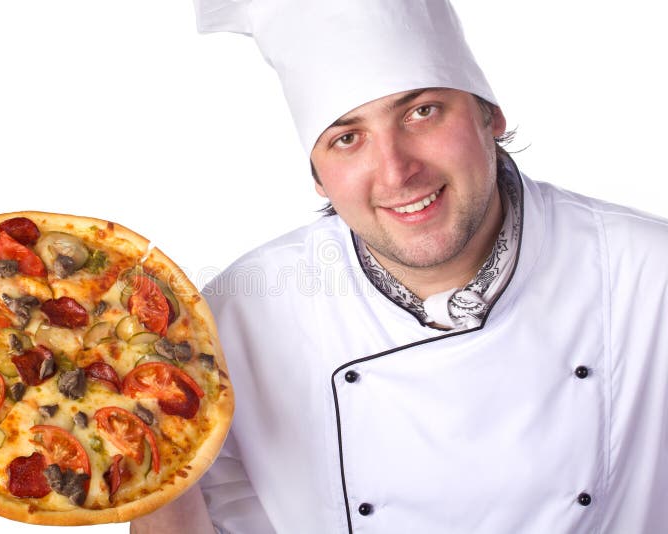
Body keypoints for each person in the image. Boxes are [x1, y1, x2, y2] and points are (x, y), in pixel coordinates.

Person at [132, 0, 668, 532]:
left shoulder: (648, 275)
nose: (397, 172)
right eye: (348, 138)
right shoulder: (228, 321)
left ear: (492, 115)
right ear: (318, 176)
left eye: (422, 112)